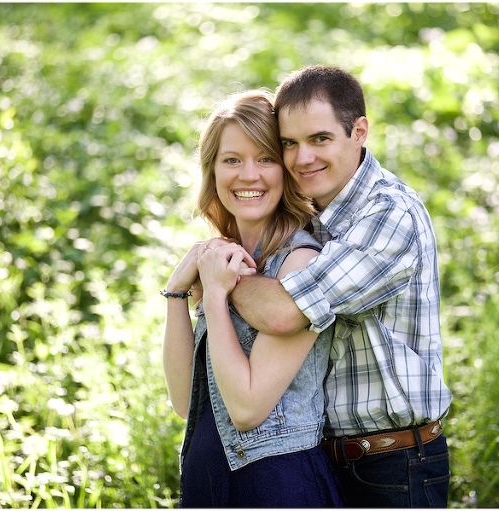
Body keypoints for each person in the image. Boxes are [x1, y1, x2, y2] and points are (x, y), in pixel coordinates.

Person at [219, 66, 453, 507]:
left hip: (397, 465)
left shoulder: (389, 213)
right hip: (325, 460)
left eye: (320, 139)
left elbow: (284, 312)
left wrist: (221, 273)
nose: (302, 158)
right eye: (289, 143)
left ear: (359, 130)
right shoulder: (314, 221)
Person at [161, 89, 344, 507]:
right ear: (212, 171)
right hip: (209, 478)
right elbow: (184, 403)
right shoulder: (223, 259)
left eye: (265, 158)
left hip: (275, 485)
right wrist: (175, 293)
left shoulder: (299, 263)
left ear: (286, 171)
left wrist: (215, 296)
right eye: (232, 160)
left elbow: (246, 409)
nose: (249, 175)